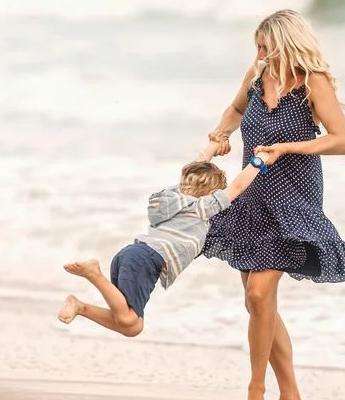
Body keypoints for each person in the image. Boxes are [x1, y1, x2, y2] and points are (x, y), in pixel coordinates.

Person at [203, 9, 345, 400]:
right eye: (256, 46)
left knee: (259, 295)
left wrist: (287, 147)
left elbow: (342, 141)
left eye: (264, 46)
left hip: (294, 196)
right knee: (258, 302)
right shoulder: (257, 76)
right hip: (250, 193)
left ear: (285, 43)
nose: (258, 54)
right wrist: (222, 133)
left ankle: (256, 391)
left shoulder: (313, 83)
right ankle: (290, 398)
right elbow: (236, 110)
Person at [58, 142, 273, 338]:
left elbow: (194, 168)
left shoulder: (171, 198)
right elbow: (237, 187)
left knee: (130, 325)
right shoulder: (200, 208)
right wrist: (259, 160)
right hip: (147, 259)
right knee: (127, 320)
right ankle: (94, 274)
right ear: (210, 193)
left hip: (132, 255)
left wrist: (211, 148)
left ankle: (81, 307)